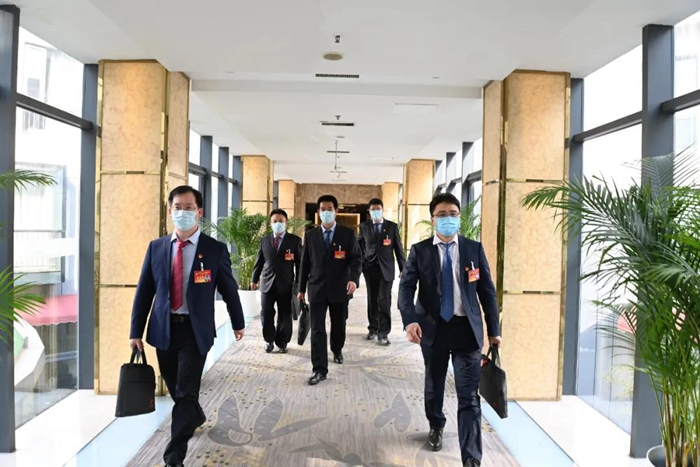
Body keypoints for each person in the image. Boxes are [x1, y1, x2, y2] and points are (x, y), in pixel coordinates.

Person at [129, 185, 245, 467]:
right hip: (164, 330)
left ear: (199, 212)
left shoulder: (214, 250)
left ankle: (174, 457)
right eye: (178, 207)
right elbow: (144, 291)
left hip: (195, 330)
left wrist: (238, 322)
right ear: (170, 211)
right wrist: (135, 332)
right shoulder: (157, 247)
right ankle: (195, 415)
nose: (183, 212)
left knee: (186, 391)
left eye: (189, 208)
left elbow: (229, 289)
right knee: (177, 389)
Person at [398, 193, 502, 467]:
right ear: (433, 220)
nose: (448, 219)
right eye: (442, 214)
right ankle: (436, 424)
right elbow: (406, 288)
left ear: (459, 217)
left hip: (466, 330)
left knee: (469, 396)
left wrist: (494, 330)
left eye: (453, 214)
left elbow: (487, 291)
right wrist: (410, 321)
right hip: (433, 330)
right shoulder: (420, 251)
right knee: (435, 384)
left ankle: (471, 458)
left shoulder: (473, 249)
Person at [297, 195, 361, 385]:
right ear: (318, 212)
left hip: (340, 288)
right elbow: (304, 264)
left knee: (338, 324)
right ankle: (319, 369)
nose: (326, 212)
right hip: (316, 288)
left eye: (330, 209)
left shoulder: (347, 234)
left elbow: (356, 259)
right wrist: (300, 288)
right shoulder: (310, 235)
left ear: (336, 211)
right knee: (317, 329)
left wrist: (353, 279)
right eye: (323, 209)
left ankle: (337, 349)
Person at [251, 209, 302, 354]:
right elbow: (259, 261)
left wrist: (299, 285)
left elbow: (300, 264)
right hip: (267, 283)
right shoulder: (264, 240)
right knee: (266, 312)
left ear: (286, 223)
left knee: (285, 314)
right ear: (270, 223)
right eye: (275, 221)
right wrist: (254, 279)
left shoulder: (294, 240)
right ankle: (269, 339)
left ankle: (282, 342)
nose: (277, 224)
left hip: (286, 284)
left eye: (281, 221)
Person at [357, 198, 406, 346]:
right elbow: (359, 247)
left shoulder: (391, 227)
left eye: (378, 209)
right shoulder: (364, 226)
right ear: (369, 211)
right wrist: (359, 265)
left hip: (387, 269)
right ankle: (373, 328)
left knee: (384, 301)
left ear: (382, 209)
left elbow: (398, 249)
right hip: (370, 268)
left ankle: (383, 333)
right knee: (372, 300)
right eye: (373, 209)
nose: (376, 211)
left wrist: (403, 268)